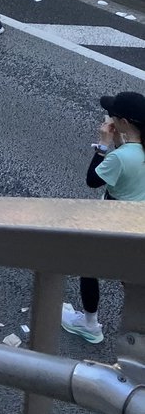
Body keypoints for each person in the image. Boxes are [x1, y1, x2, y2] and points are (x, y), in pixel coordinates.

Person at [61, 91, 145, 345]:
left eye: (112, 116)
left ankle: (90, 324)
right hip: (138, 219)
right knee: (131, 276)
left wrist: (103, 146)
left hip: (115, 219)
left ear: (124, 123)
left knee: (89, 265)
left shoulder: (121, 157)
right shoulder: (136, 150)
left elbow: (92, 180)